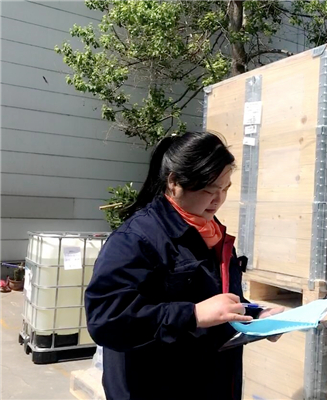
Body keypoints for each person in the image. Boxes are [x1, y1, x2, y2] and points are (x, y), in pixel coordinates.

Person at [85, 131, 282, 400]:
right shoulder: (136, 239)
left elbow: (217, 298)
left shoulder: (212, 233)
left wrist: (257, 315)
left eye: (225, 189)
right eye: (209, 190)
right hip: (155, 388)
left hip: (212, 383)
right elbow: (106, 320)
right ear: (174, 182)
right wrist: (192, 315)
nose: (218, 199)